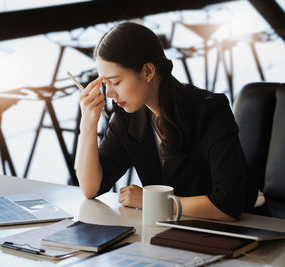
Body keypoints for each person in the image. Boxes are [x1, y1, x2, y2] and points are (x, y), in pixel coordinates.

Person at [75, 21, 258, 221]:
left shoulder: (209, 109)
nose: (109, 93)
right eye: (105, 83)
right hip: (170, 231)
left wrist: (152, 201)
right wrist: (88, 123)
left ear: (148, 72)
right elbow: (91, 188)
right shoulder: (128, 115)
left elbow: (228, 205)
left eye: (116, 82)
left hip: (234, 232)